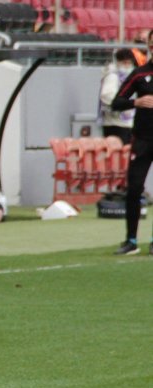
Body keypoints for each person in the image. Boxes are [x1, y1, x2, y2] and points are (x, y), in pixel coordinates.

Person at [111, 29, 153, 256]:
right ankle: (131, 239)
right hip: (143, 140)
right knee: (134, 188)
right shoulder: (139, 74)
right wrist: (137, 102)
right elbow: (116, 102)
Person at [100, 49, 137, 144]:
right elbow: (107, 96)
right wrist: (125, 104)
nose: (128, 66)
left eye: (130, 63)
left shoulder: (131, 77)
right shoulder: (112, 76)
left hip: (128, 123)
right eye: (125, 63)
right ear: (118, 62)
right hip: (114, 123)